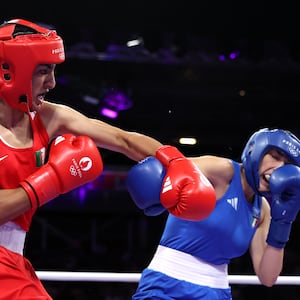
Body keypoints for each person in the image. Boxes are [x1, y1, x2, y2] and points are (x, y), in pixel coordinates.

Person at [0, 18, 215, 299]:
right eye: (43, 71)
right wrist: (51, 180)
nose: (51, 82)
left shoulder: (48, 117)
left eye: (52, 71)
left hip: (13, 263)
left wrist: (174, 161)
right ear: (9, 70)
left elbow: (123, 139)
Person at [127, 127, 300, 299]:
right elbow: (167, 162)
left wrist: (283, 221)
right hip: (165, 284)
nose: (279, 168)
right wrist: (119, 141)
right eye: (275, 157)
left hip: (216, 292)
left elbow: (268, 277)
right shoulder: (222, 171)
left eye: (286, 165)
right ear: (255, 151)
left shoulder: (263, 210)